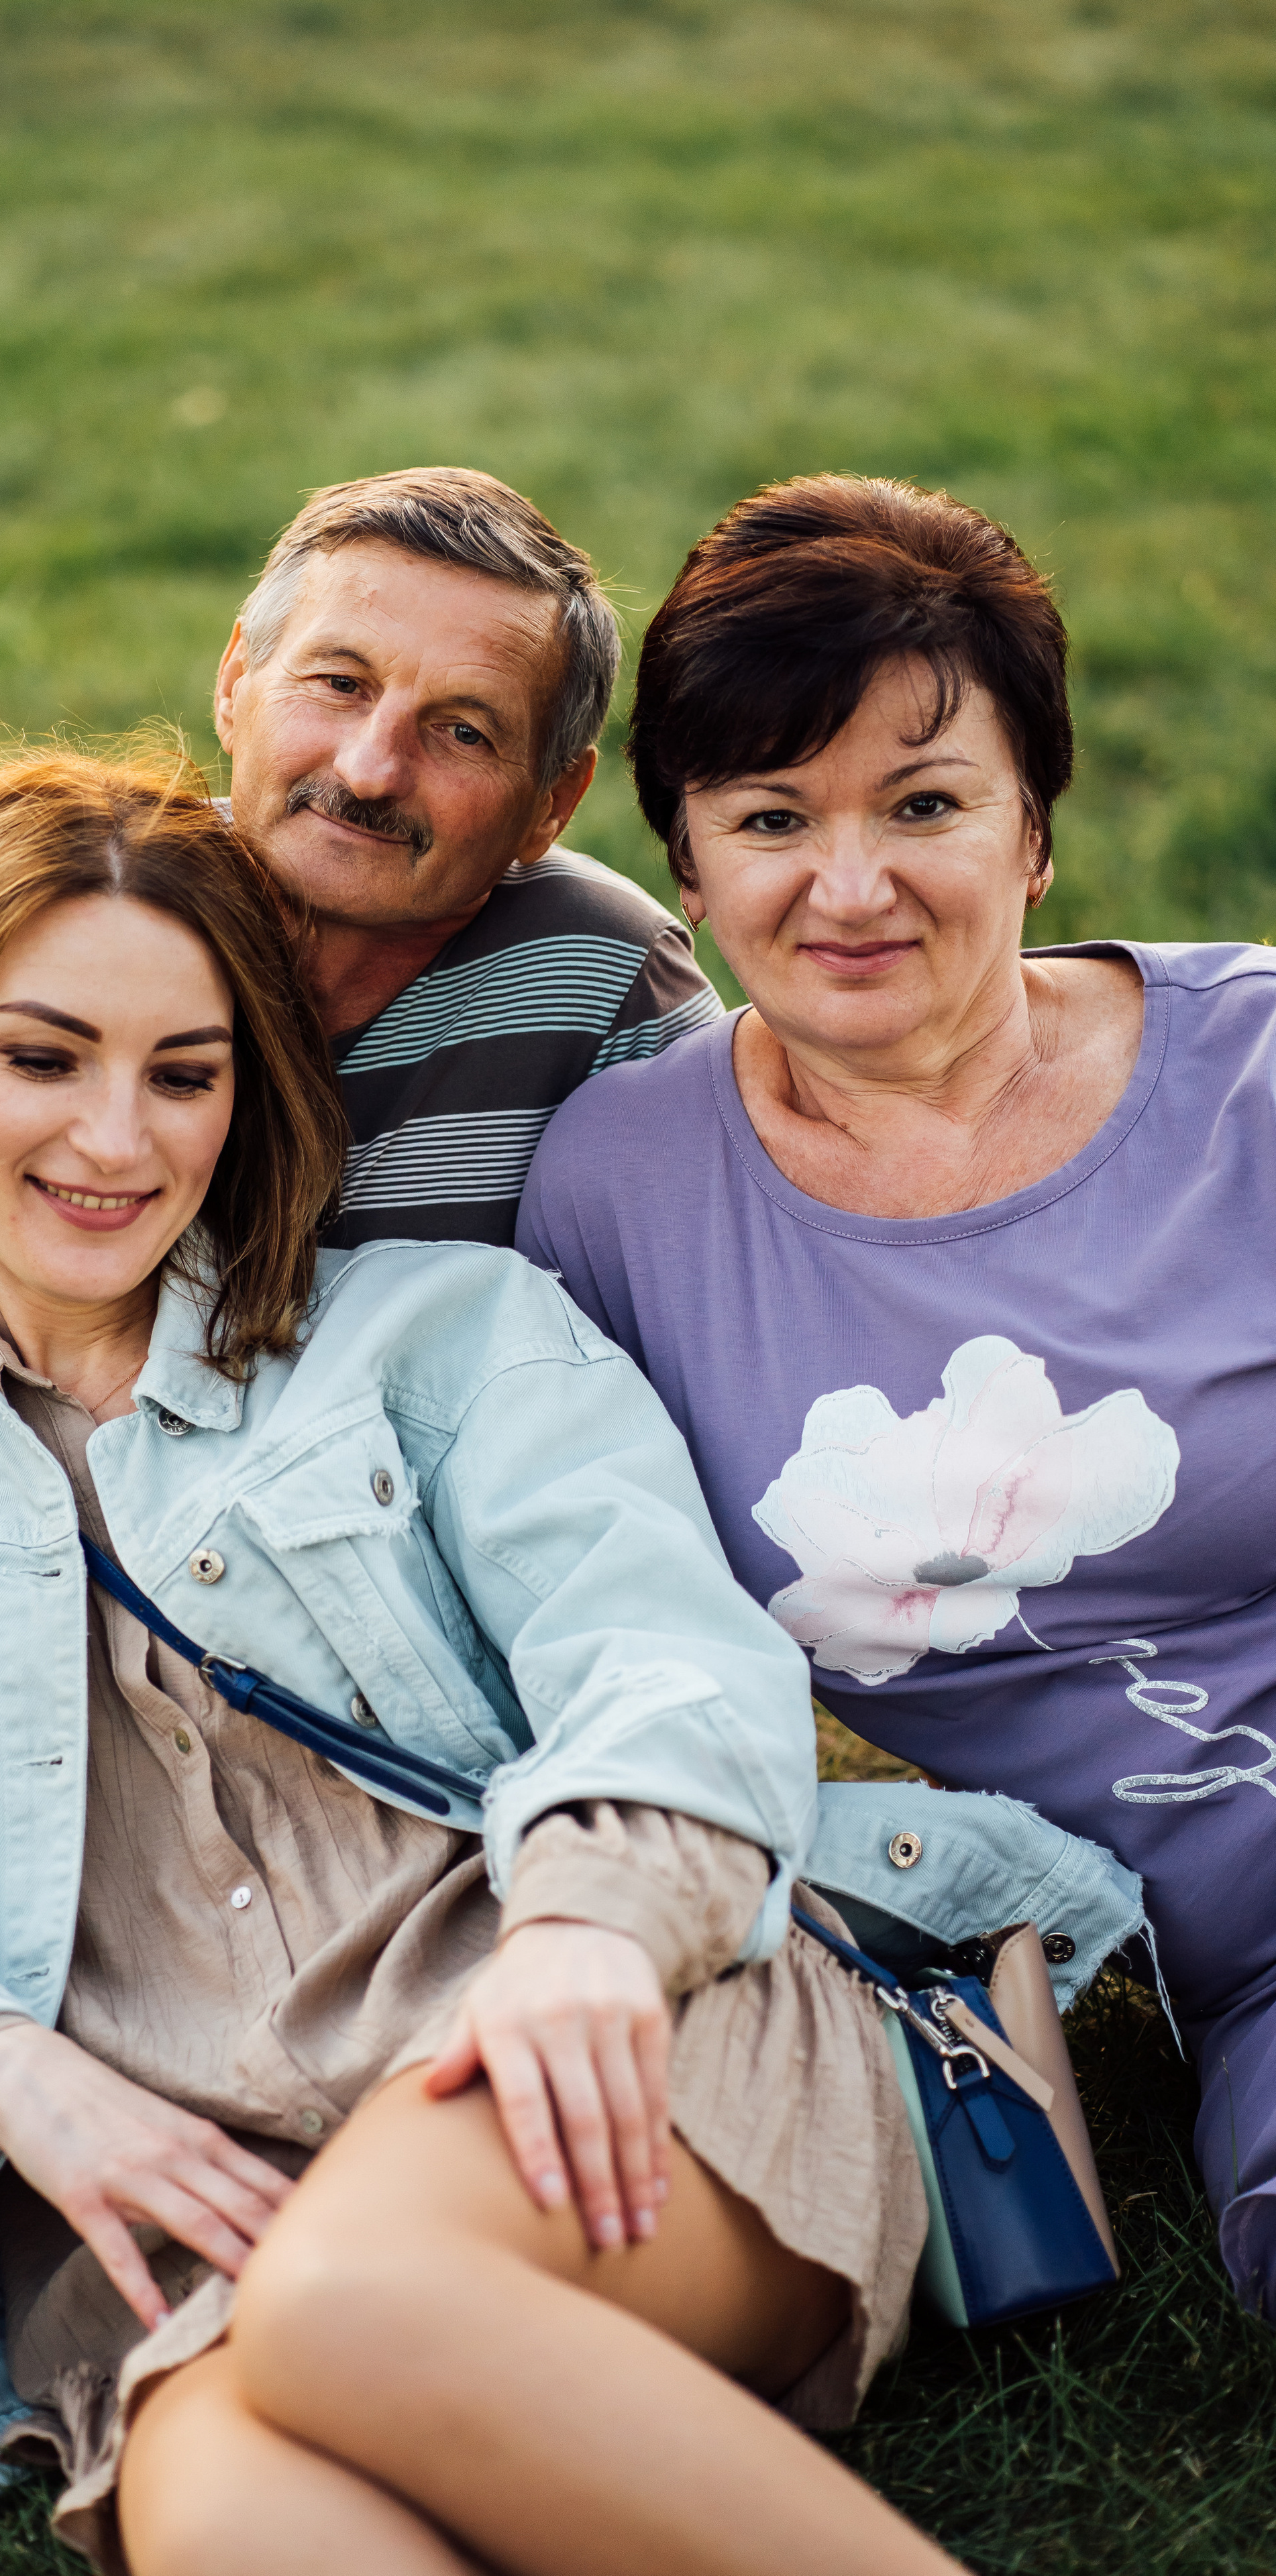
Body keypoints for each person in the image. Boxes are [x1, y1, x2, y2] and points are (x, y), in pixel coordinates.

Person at [0, 743, 1118, 2574]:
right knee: (229, 2514)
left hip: (590, 2039)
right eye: (43, 1060)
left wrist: (596, 1930)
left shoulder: (439, 1332)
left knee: (353, 2304)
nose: (117, 1141)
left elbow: (669, 1667)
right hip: (184, 2207)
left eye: (182, 1075)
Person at [0, 469, 721, 2326]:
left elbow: (676, 1435)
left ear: (550, 797)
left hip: (321, 1728)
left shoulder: (598, 987)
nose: (367, 765)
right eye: (335, 686)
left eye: (461, 732)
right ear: (239, 682)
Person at [519, 469, 1276, 2323]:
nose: (848, 886)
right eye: (772, 817)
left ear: (1034, 831)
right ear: (687, 869)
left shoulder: (1252, 1077)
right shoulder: (617, 1193)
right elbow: (584, 1615)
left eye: (925, 804)